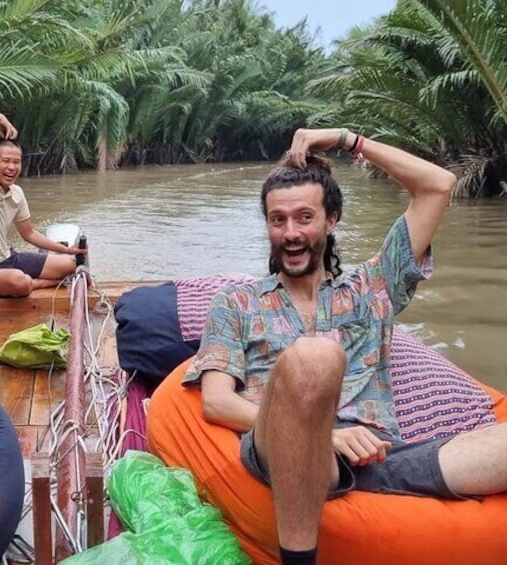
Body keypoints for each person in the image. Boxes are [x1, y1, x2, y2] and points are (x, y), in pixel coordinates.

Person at [183, 128, 507, 565]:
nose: (291, 233)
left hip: (379, 457)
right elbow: (217, 403)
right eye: (278, 220)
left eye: (304, 217)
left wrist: (346, 139)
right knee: (315, 356)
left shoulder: (372, 286)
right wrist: (324, 435)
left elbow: (438, 185)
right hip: (281, 453)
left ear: (331, 220)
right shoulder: (237, 302)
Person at [0, 113, 85, 297]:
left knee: (70, 265)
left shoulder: (17, 193)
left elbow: (29, 233)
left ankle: (34, 282)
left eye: (16, 162)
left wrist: (67, 250)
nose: (12, 167)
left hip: (8, 259)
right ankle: (36, 284)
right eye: (6, 161)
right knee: (19, 282)